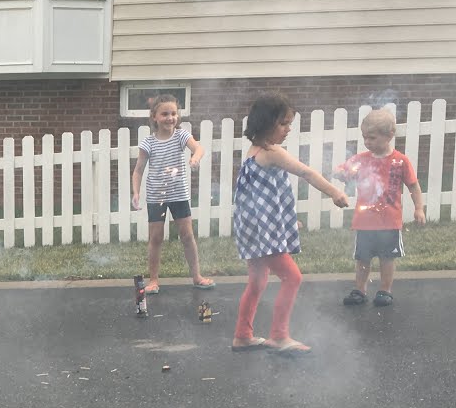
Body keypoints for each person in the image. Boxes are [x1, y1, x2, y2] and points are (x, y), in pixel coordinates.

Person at [232, 94, 349, 355]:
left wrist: (285, 219)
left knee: (257, 281)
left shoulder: (253, 153)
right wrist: (334, 192)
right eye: (283, 123)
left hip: (252, 229)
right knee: (292, 277)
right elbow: (306, 172)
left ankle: (242, 335)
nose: (288, 129)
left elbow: (261, 196)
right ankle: (279, 336)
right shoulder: (272, 153)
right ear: (267, 123)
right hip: (264, 233)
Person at [333, 108, 426, 307]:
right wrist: (339, 173)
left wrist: (419, 208)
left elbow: (413, 186)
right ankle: (360, 290)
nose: (367, 142)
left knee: (387, 258)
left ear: (389, 135)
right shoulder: (361, 159)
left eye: (372, 138)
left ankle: (385, 290)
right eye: (365, 137)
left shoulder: (400, 161)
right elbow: (342, 170)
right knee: (362, 258)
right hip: (364, 222)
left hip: (389, 222)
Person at [130, 95, 213, 294]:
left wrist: (195, 157)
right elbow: (138, 170)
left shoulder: (181, 136)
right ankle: (153, 280)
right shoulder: (148, 143)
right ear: (155, 117)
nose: (170, 118)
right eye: (165, 114)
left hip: (179, 194)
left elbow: (199, 148)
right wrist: (136, 192)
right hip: (156, 196)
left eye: (174, 113)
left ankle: (197, 276)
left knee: (187, 235)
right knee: (156, 238)